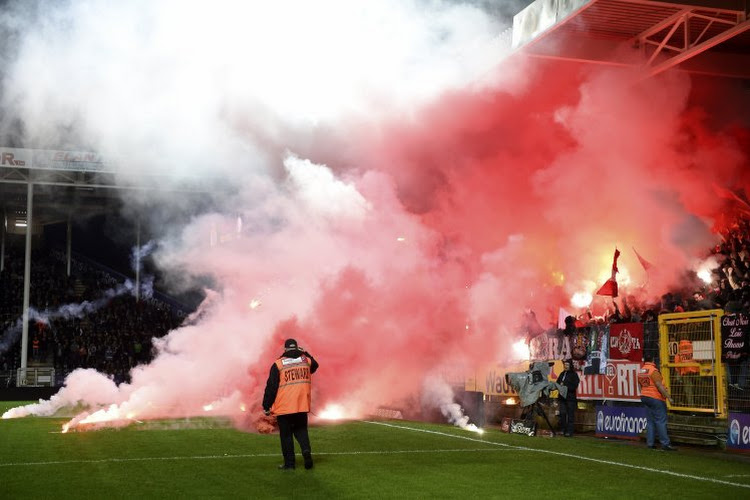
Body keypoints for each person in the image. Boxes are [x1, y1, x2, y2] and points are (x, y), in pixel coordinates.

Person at [262, 338, 319, 470]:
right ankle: (306, 451)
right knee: (301, 431)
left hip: (284, 407)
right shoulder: (306, 361)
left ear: (285, 350)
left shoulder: (278, 364)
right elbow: (315, 366)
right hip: (301, 405)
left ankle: (289, 464)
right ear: (297, 348)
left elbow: (271, 387)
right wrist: (304, 352)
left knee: (286, 436)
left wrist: (266, 405)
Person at [637, 354, 677, 451]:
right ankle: (665, 444)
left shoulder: (641, 371)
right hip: (655, 398)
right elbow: (659, 386)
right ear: (653, 360)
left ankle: (650, 443)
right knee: (661, 421)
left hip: (645, 397)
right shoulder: (654, 371)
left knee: (650, 422)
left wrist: (643, 394)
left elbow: (639, 385)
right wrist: (669, 397)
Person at [556, 359, 579, 437]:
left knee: (570, 415)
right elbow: (557, 383)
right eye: (565, 365)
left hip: (570, 398)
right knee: (562, 414)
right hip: (562, 398)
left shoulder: (574, 375)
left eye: (567, 365)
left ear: (570, 366)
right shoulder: (562, 374)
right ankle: (563, 429)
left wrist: (566, 387)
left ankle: (569, 431)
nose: (565, 366)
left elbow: (575, 385)